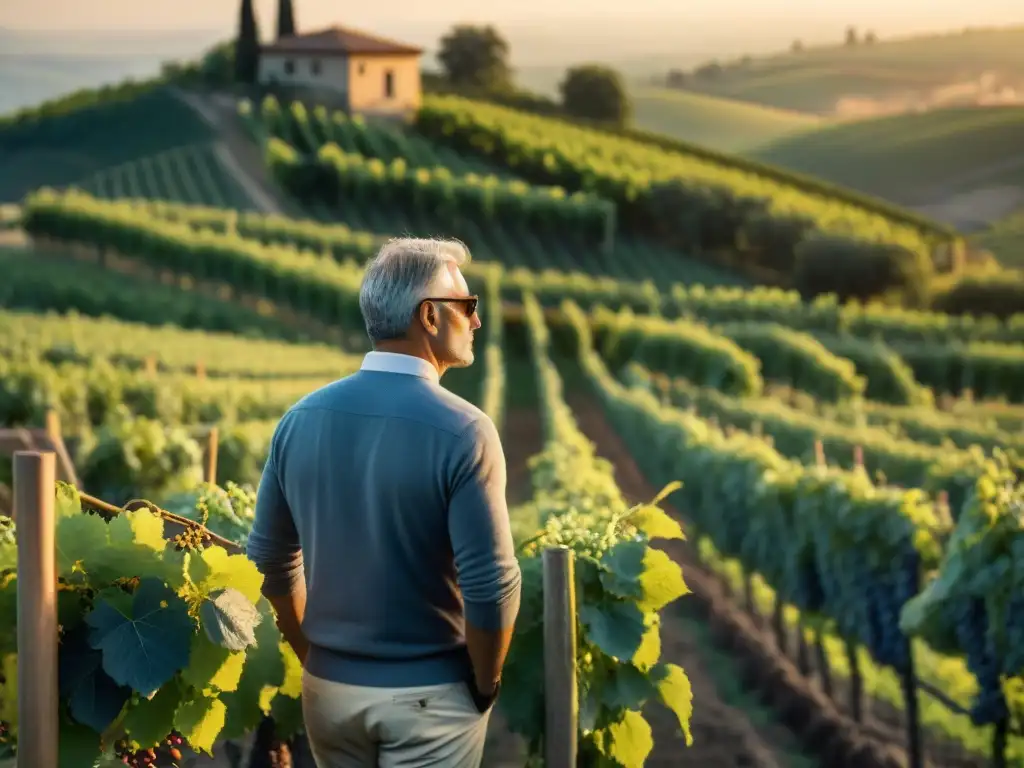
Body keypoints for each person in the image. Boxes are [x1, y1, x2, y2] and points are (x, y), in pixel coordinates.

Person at [246, 237, 522, 767]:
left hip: (328, 695)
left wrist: (318, 658)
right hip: (430, 699)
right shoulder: (466, 431)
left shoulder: (299, 419)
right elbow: (492, 585)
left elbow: (269, 563)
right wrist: (485, 685)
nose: (478, 321)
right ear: (430, 316)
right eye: (468, 306)